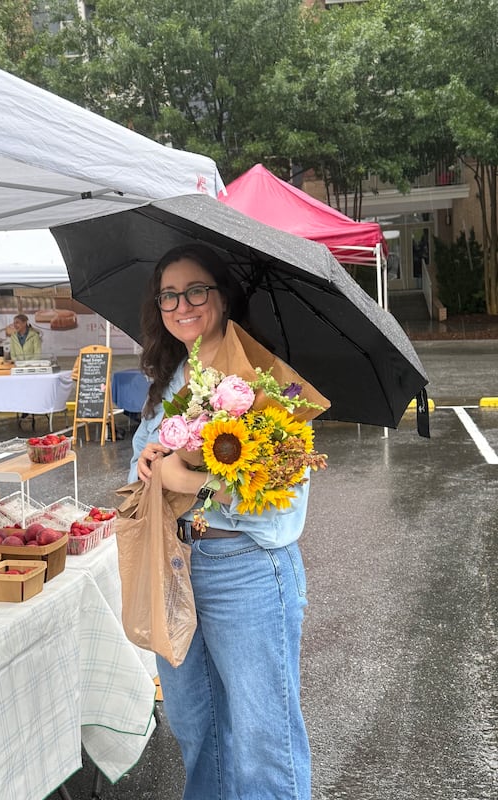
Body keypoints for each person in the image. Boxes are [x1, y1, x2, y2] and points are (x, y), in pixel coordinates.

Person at [129, 243, 315, 800]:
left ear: (222, 294)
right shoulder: (173, 375)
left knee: (264, 737)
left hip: (248, 571)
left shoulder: (263, 379)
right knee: (195, 724)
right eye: (168, 295)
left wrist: (194, 482)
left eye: (195, 290)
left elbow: (284, 497)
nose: (181, 305)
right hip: (178, 562)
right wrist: (144, 462)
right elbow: (144, 455)